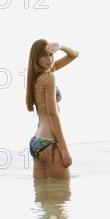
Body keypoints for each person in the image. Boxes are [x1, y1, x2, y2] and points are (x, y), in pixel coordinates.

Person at [26, 39, 79, 179]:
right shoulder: (49, 77)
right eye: (44, 55)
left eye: (50, 55)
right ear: (35, 57)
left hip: (36, 143)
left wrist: (60, 46)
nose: (49, 59)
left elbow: (74, 55)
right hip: (49, 143)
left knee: (42, 195)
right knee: (63, 194)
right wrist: (64, 148)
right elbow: (52, 114)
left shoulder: (36, 78)